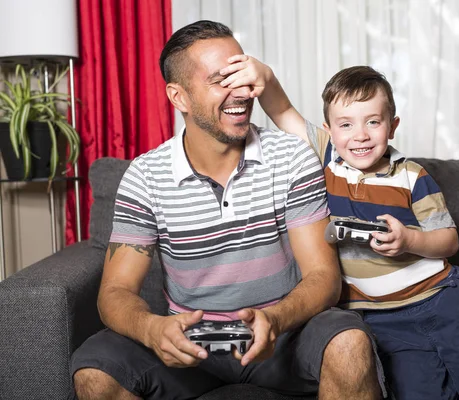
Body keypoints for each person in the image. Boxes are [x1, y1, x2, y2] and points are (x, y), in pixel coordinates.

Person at [70, 20, 387, 400]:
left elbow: (323, 275)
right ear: (179, 97)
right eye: (221, 80)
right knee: (94, 370)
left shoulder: (290, 156)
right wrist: (152, 330)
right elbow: (116, 291)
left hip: (283, 334)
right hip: (191, 347)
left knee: (350, 342)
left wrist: (275, 319)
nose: (240, 91)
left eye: (241, 75)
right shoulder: (145, 176)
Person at [219, 56, 459, 399]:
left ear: (393, 125)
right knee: (418, 390)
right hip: (378, 318)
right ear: (328, 131)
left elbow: (448, 240)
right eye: (346, 125)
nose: (360, 135)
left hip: (441, 300)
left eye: (373, 122)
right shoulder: (328, 159)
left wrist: (409, 239)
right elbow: (283, 112)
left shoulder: (412, 176)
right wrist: (265, 78)